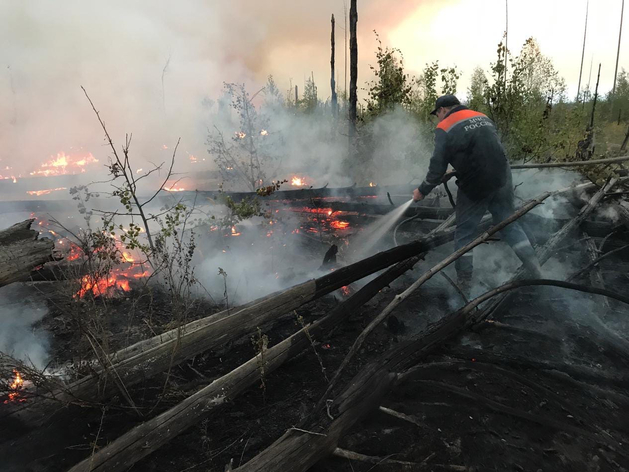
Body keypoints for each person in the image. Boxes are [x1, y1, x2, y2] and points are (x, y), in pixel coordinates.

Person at [413, 94, 542, 294]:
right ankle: (535, 268)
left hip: (476, 182)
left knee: (464, 234)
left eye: (437, 113)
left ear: (443, 109)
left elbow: (437, 166)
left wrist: (422, 190)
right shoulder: (481, 116)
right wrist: (458, 167)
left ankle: (464, 286)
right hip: (502, 177)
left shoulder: (445, 126)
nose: (438, 117)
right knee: (509, 223)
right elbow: (484, 150)